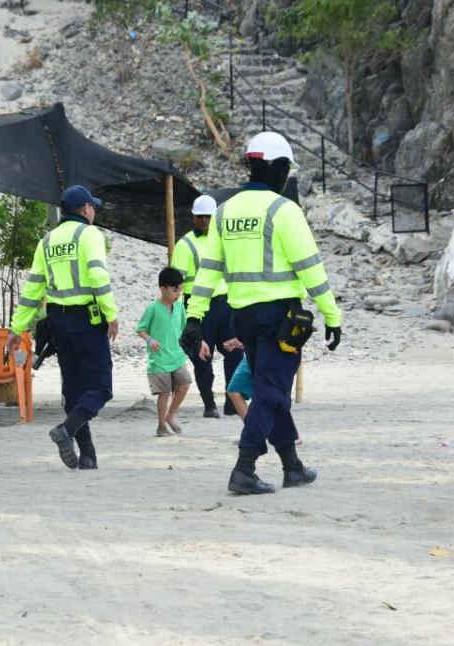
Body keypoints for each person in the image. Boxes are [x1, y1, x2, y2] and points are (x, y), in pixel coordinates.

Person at [181, 132, 342, 496]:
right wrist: (332, 315)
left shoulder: (225, 212)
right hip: (280, 318)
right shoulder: (284, 210)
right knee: (271, 393)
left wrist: (194, 318)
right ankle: (244, 468)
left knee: (270, 388)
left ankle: (292, 466)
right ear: (279, 168)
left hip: (244, 318)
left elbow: (208, 272)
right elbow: (311, 269)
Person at [9, 185, 118, 471]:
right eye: (93, 206)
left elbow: (33, 287)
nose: (94, 211)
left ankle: (88, 455)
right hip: (86, 320)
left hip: (57, 323)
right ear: (85, 209)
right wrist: (111, 314)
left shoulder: (47, 241)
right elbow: (97, 274)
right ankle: (66, 430)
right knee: (101, 388)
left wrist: (17, 327)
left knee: (74, 390)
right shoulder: (90, 234)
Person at [172, 195, 243, 417]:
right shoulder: (185, 245)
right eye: (200, 217)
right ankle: (209, 405)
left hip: (226, 304)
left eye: (208, 217)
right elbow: (176, 282)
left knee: (234, 352)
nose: (204, 221)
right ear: (193, 218)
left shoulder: (226, 241)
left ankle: (233, 401)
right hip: (199, 307)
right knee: (202, 357)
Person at [136, 267, 192, 437]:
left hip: (177, 356)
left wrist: (197, 342)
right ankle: (161, 426)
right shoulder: (152, 308)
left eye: (181, 290)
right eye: (175, 290)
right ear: (162, 288)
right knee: (164, 392)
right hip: (158, 359)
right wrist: (150, 340)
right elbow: (141, 329)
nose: (179, 293)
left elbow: (185, 328)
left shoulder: (180, 307)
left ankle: (170, 415)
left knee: (185, 384)